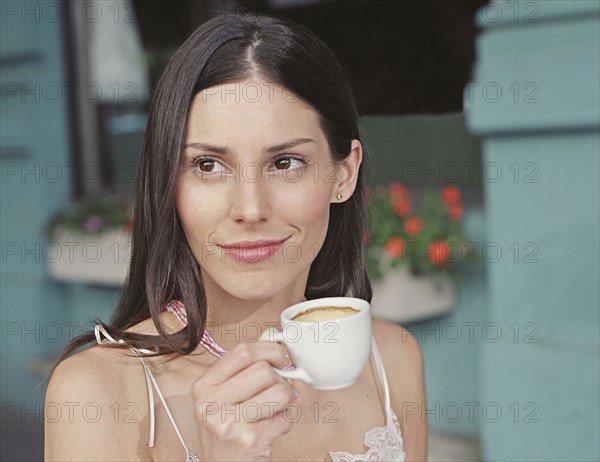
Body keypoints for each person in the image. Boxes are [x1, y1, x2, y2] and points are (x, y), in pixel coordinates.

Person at [45, 11, 427, 462]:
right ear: (168, 183)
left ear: (343, 174)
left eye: (286, 163)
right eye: (208, 165)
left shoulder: (393, 361)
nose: (250, 209)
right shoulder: (96, 395)